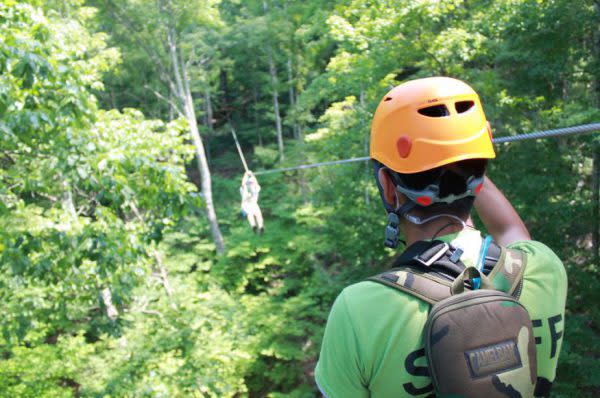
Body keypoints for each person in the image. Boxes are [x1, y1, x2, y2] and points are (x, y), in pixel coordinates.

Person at [314, 77, 567, 398]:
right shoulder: (542, 267)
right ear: (479, 175)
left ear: (388, 187)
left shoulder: (358, 309)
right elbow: (511, 231)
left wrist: (458, 166)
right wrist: (464, 160)